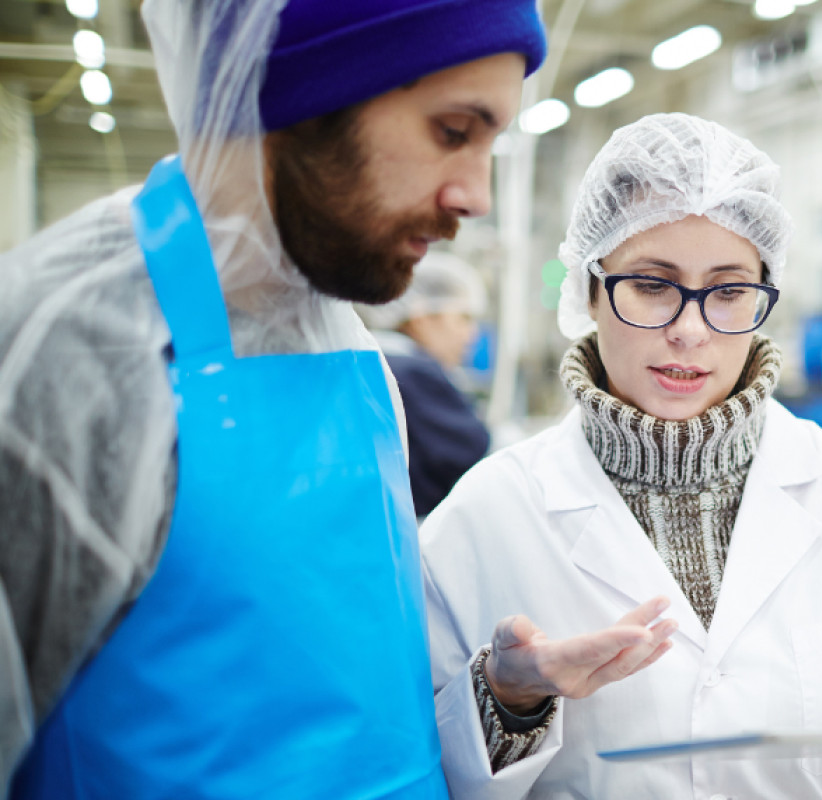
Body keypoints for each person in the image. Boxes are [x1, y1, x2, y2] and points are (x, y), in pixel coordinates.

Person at [0, 0, 553, 796]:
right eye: (454, 131)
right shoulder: (70, 351)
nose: (477, 195)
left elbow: (358, 714)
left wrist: (502, 696)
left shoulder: (347, 347)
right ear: (311, 92)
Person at [420, 113, 822, 799]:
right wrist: (508, 700)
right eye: (653, 285)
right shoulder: (486, 514)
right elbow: (415, 770)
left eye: (728, 292)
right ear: (589, 289)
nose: (690, 330)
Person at [359, 252, 492, 517]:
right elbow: (474, 452)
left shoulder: (371, 361)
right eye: (462, 318)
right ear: (422, 316)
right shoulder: (412, 372)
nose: (472, 334)